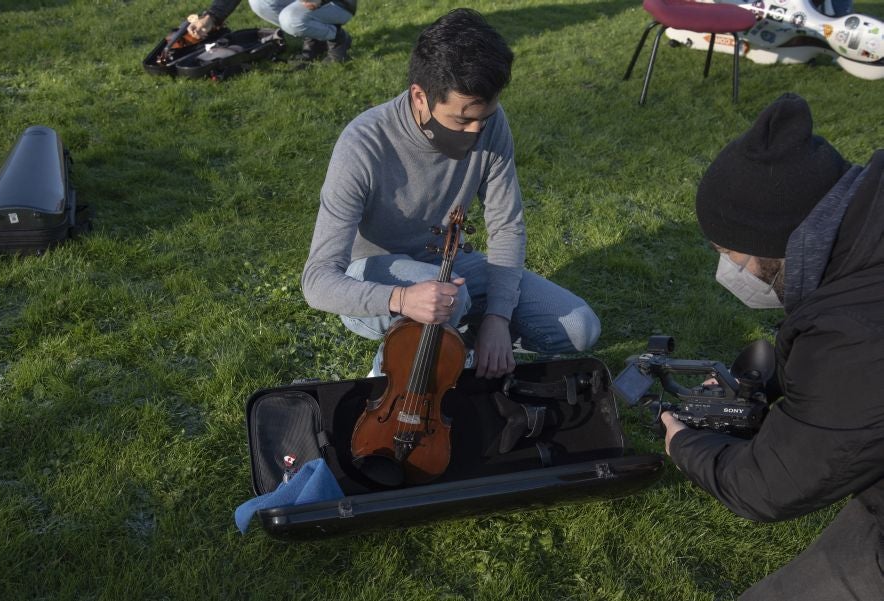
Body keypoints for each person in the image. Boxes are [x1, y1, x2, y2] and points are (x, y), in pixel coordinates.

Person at [661, 93, 884, 600]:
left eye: (728, 252)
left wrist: (685, 445)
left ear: (777, 243)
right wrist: (780, 380)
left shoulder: (854, 335)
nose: (728, 269)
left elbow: (772, 485)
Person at [301, 8, 601, 380]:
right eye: (462, 120)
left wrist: (497, 319)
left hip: (451, 269)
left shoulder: (489, 121)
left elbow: (506, 225)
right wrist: (402, 299)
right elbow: (316, 281)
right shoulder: (363, 144)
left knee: (580, 327)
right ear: (420, 97)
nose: (477, 132)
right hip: (376, 281)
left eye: (484, 119)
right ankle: (391, 377)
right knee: (452, 299)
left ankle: (461, 346)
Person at [186, 0, 356, 63]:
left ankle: (337, 38)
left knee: (291, 20)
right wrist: (212, 17)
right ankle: (314, 37)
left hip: (339, 4)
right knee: (260, 2)